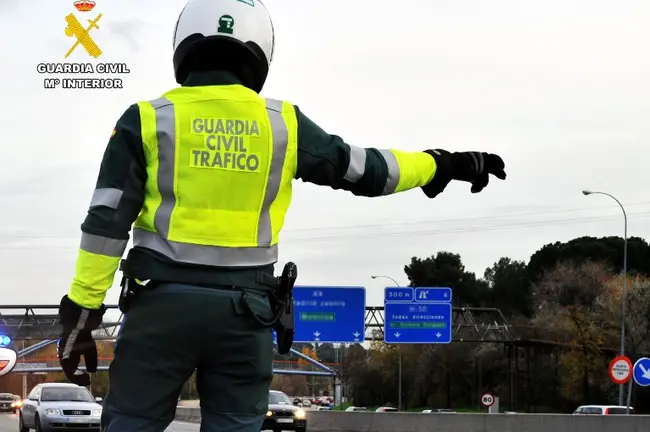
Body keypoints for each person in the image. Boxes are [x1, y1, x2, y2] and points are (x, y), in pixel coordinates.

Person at [55, 0, 507, 431]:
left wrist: (82, 314)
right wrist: (441, 164)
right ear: (260, 50)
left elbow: (106, 223)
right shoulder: (282, 124)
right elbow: (366, 169)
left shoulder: (147, 119)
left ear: (185, 43)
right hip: (244, 318)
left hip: (160, 311)